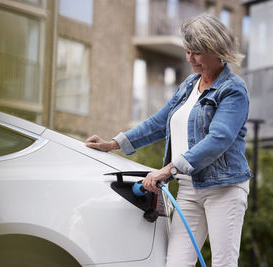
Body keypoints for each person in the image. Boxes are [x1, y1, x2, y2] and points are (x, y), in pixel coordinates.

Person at [86, 13, 252, 267]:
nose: (189, 59)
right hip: (188, 189)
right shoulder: (189, 85)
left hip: (224, 189)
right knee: (176, 263)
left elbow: (219, 138)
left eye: (196, 52)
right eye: (187, 51)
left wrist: (169, 169)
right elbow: (158, 123)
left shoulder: (232, 90)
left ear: (214, 48)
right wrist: (113, 143)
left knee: (223, 263)